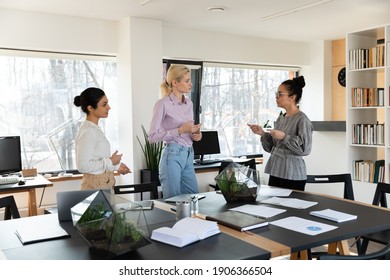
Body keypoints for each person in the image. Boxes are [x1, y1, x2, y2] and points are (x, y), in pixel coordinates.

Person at [248, 76, 313, 191]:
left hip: (292, 174)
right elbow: (271, 148)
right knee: (274, 207)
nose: (276, 97)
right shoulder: (280, 118)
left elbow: (305, 149)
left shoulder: (302, 119)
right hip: (276, 170)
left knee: (291, 208)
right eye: (276, 94)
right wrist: (262, 134)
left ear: (292, 97)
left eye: (280, 94)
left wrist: (284, 137)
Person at [148, 65, 202, 198]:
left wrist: (196, 135)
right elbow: (152, 137)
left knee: (194, 199)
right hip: (172, 155)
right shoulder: (162, 104)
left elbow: (189, 131)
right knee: (174, 202)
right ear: (175, 82)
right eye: (187, 80)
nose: (191, 83)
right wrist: (179, 130)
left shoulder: (189, 103)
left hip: (189, 154)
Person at [74, 87, 131, 190]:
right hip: (94, 185)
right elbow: (82, 166)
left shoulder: (94, 129)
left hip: (103, 182)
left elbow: (97, 160)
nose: (109, 107)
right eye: (104, 104)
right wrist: (110, 162)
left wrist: (116, 166)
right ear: (90, 108)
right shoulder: (88, 131)